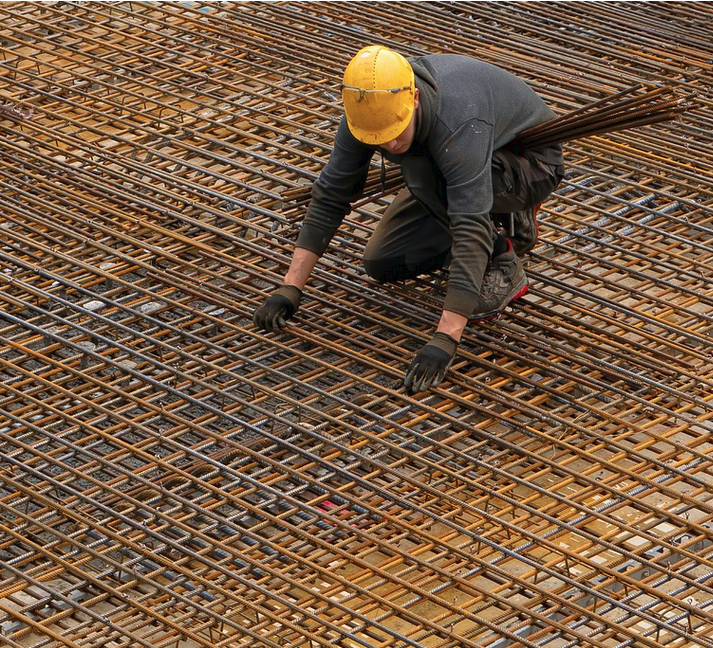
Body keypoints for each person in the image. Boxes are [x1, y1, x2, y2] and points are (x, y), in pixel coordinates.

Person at [253, 45, 564, 393]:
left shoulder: (457, 120)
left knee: (421, 169)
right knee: (383, 262)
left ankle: (504, 254)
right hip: (449, 167)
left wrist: (445, 338)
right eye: (379, 139)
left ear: (414, 98)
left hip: (528, 164)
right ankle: (486, 212)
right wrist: (289, 288)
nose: (388, 144)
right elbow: (330, 194)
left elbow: (469, 224)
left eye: (394, 132)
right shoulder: (365, 110)